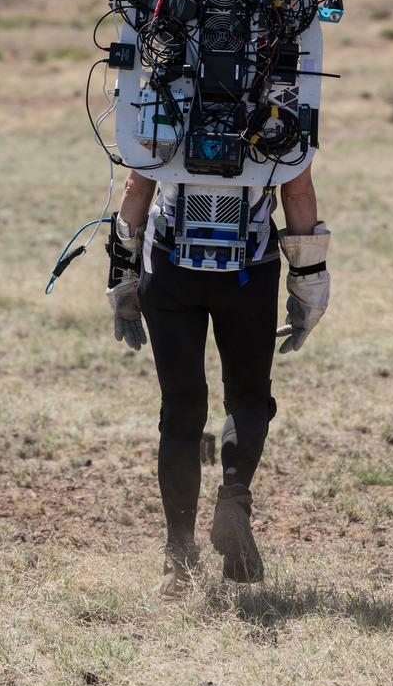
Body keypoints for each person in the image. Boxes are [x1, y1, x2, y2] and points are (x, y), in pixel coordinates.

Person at [107, 162, 330, 597]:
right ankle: (232, 499)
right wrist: (309, 288)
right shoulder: (277, 95)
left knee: (181, 409)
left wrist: (122, 280)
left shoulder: (162, 92)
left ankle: (179, 561)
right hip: (249, 271)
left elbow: (137, 186)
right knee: (247, 399)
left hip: (168, 267)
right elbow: (298, 196)